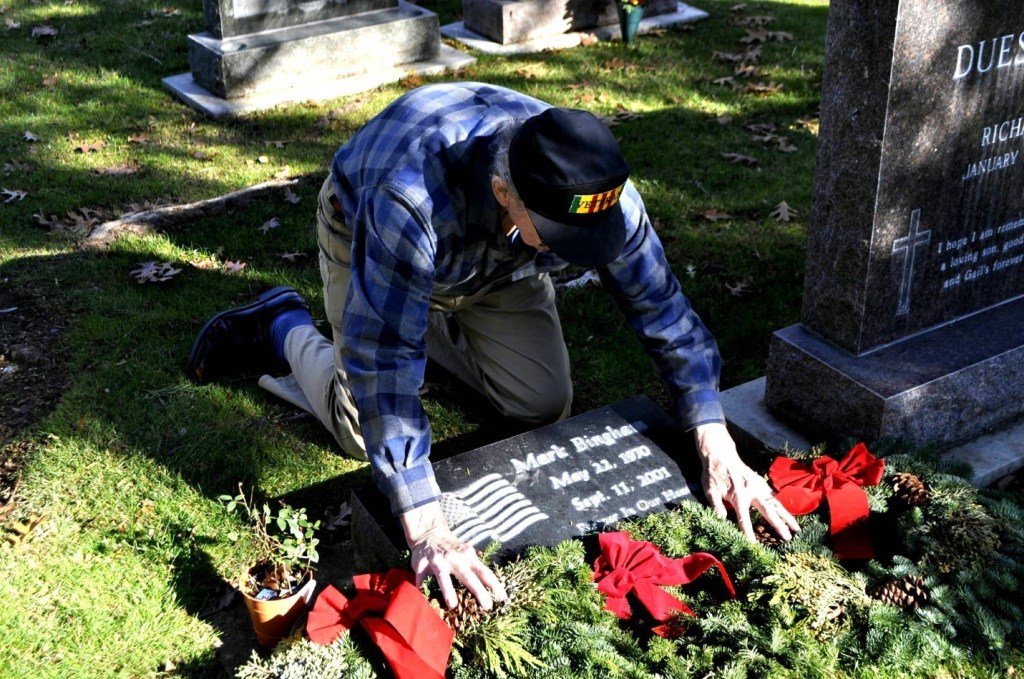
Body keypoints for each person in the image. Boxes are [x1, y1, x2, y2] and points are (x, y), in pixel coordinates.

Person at [188, 82, 799, 612]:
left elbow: (662, 307)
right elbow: (383, 363)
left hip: (499, 263)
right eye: (560, 237)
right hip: (371, 237)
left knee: (541, 402)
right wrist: (427, 527)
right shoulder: (409, 196)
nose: (577, 250)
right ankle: (282, 325)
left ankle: (421, 317)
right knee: (359, 429)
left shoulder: (594, 186)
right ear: (504, 191)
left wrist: (715, 441)